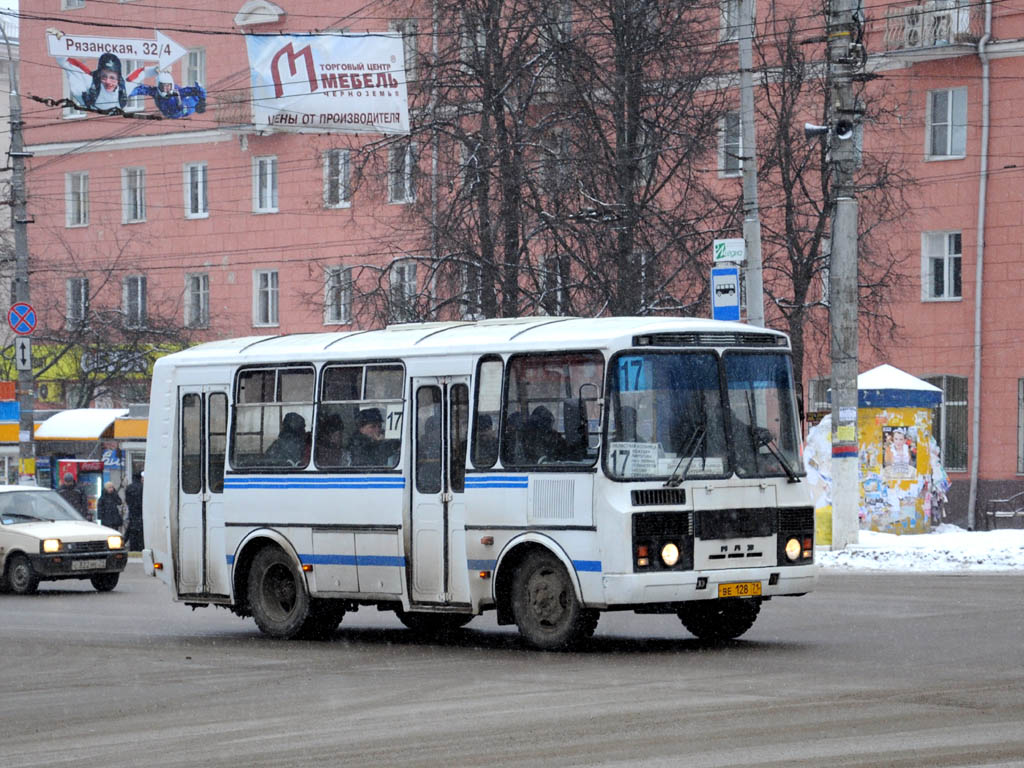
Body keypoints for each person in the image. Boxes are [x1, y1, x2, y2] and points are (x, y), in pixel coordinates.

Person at [48, 30, 150, 111]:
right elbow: (66, 63)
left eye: (112, 78)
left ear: (118, 78)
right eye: (104, 77)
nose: (108, 82)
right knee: (77, 87)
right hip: (88, 102)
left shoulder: (124, 87)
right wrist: (60, 44)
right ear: (99, 75)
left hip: (113, 110)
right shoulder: (89, 80)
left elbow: (141, 73)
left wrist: (159, 69)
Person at [130, 70, 207, 119]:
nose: (166, 89)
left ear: (171, 85)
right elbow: (141, 89)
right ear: (159, 86)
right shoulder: (155, 92)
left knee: (190, 102)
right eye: (163, 86)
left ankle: (196, 103)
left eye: (168, 86)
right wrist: (128, 92)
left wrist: (202, 99)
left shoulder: (178, 92)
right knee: (187, 102)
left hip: (180, 110)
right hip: (168, 112)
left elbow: (195, 91)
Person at [124, 472, 144, 551]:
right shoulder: (142, 487)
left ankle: (133, 547)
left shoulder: (129, 488)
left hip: (132, 512)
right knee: (140, 532)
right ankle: (140, 547)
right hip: (141, 512)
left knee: (132, 531)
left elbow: (127, 500)